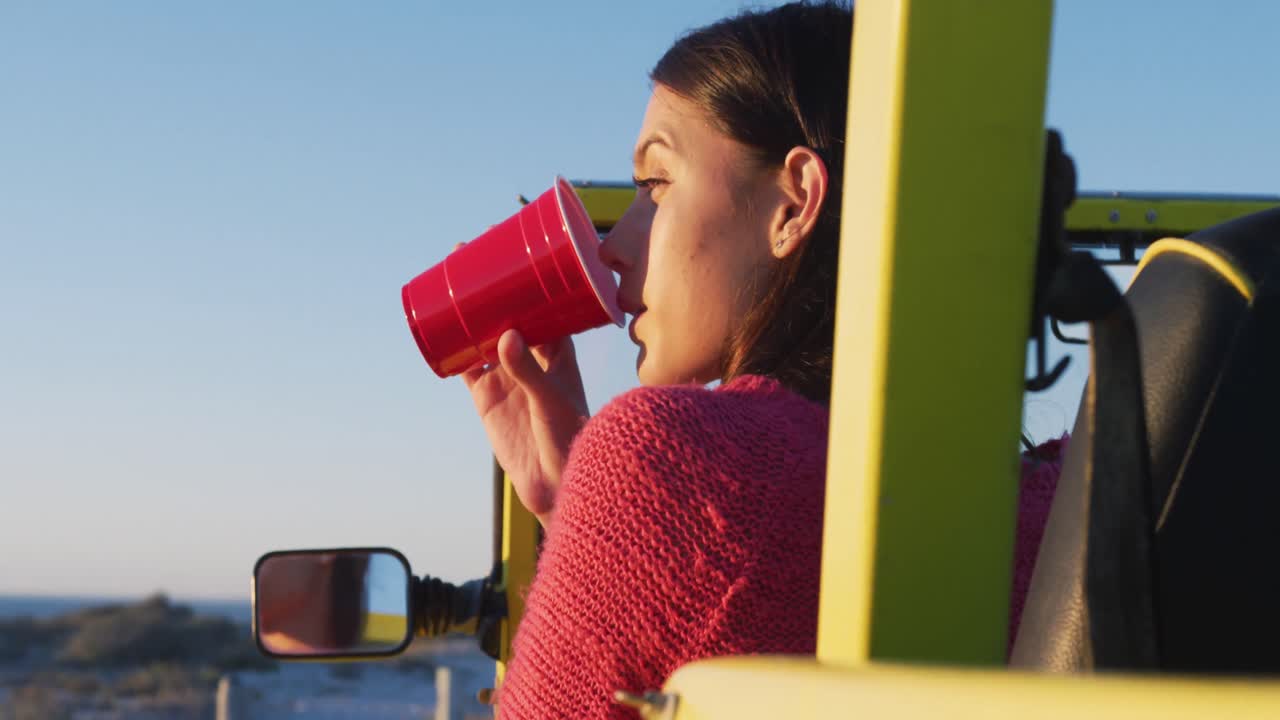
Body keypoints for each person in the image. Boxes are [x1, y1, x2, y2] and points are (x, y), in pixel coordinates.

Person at [459, 3, 1064, 716]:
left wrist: (601, 502)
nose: (612, 245)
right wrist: (581, 515)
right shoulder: (1066, 503)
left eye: (655, 185)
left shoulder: (664, 462)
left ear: (794, 202)